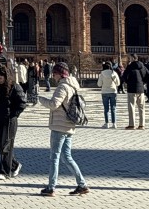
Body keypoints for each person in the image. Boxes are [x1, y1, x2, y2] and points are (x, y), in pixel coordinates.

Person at [37, 62, 89, 197]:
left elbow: (54, 104)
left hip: (59, 126)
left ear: (60, 74)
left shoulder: (62, 87)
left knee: (54, 157)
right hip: (69, 125)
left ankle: (51, 187)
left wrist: (40, 99)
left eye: (54, 74)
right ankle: (82, 184)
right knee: (67, 157)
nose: (53, 76)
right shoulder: (72, 86)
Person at [0, 64, 26, 180]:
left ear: (6, 77)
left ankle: (4, 172)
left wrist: (13, 114)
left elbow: (22, 103)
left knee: (6, 145)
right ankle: (14, 165)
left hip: (10, 120)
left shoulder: (15, 87)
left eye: (0, 78)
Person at [123, 53, 149, 129]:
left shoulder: (130, 66)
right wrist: (143, 82)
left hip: (132, 89)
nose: (129, 59)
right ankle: (142, 125)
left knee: (131, 106)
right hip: (141, 89)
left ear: (133, 58)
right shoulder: (142, 66)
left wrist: (128, 82)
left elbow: (124, 76)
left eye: (130, 58)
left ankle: (132, 124)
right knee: (141, 107)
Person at [97, 61, 120, 128]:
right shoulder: (114, 73)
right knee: (113, 108)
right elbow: (118, 83)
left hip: (105, 92)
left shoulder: (102, 73)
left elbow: (99, 84)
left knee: (106, 108)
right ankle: (114, 123)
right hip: (113, 91)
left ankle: (107, 123)